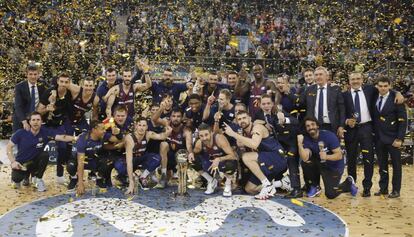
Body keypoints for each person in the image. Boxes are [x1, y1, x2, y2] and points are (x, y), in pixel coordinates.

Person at [224, 110, 287, 200]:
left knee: (246, 157)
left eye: (244, 118)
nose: (242, 120)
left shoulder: (257, 127)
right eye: (239, 119)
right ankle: (280, 183)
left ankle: (267, 184)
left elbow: (254, 144)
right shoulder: (243, 132)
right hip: (264, 160)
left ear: (250, 118)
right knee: (249, 189)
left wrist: (233, 134)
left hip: (277, 157)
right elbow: (241, 145)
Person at [7, 112, 75, 192]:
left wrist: (76, 138)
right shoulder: (20, 132)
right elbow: (8, 147)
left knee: (44, 155)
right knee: (16, 178)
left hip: (35, 162)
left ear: (41, 121)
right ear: (30, 122)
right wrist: (13, 162)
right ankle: (24, 177)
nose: (36, 122)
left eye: (38, 120)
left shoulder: (45, 132)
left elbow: (62, 137)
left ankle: (38, 179)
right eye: (33, 120)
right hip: (22, 164)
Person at [297, 116, 358, 199]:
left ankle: (348, 183)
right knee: (306, 162)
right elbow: (305, 158)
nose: (311, 127)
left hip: (334, 166)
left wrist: (326, 156)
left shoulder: (329, 136)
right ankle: (315, 186)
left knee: (331, 194)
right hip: (320, 163)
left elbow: (339, 155)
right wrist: (300, 144)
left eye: (312, 124)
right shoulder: (306, 138)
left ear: (317, 126)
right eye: (308, 126)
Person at [255, 94, 301, 198]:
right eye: (264, 104)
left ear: (272, 104)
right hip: (276, 144)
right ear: (260, 105)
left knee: (291, 159)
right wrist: (261, 122)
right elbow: (253, 121)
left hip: (289, 141)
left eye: (268, 103)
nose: (266, 106)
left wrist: (285, 120)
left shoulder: (278, 112)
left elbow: (296, 121)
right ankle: (280, 183)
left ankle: (296, 188)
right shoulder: (258, 114)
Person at [373, 76, 407, 198]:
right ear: (377, 86)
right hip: (379, 138)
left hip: (393, 138)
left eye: (385, 86)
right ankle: (383, 188)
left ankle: (396, 190)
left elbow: (403, 121)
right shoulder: (374, 96)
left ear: (390, 86)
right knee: (382, 165)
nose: (383, 88)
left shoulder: (396, 98)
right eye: (380, 86)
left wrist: (400, 138)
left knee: (396, 166)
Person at [37, 72, 73, 184]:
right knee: (39, 150)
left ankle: (59, 175)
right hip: (46, 126)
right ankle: (36, 177)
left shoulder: (69, 94)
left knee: (63, 148)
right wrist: (48, 109)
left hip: (59, 126)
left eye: (66, 82)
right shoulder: (49, 92)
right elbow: (39, 111)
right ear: (57, 81)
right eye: (61, 81)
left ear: (69, 83)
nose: (63, 84)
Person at [124, 118, 172, 194]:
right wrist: (131, 183)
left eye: (144, 125)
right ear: (136, 126)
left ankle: (143, 176)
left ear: (147, 127)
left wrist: (167, 131)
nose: (141, 128)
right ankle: (127, 178)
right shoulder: (129, 138)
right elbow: (129, 162)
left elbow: (161, 136)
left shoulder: (148, 134)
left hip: (142, 158)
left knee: (157, 158)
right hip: (131, 160)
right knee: (121, 168)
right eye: (139, 125)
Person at [72, 120, 119, 194]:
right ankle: (74, 178)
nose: (104, 131)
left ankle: (99, 178)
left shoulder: (104, 135)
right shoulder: (83, 140)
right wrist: (81, 183)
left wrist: (117, 132)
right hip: (84, 161)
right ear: (94, 130)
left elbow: (117, 139)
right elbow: (80, 163)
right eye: (102, 129)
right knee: (71, 165)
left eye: (104, 128)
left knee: (108, 162)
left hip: (95, 160)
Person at [298, 66, 345, 137]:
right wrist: (288, 92)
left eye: (320, 74)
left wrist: (341, 126)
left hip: (332, 126)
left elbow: (342, 109)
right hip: (314, 127)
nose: (318, 77)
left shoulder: (335, 89)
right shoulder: (309, 90)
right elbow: (300, 102)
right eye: (316, 75)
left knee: (333, 147)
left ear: (327, 76)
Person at [192, 123, 237, 197]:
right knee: (191, 160)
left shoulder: (219, 139)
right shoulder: (199, 143)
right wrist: (190, 153)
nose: (204, 138)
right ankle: (211, 181)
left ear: (211, 133)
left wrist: (219, 159)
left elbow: (233, 156)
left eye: (206, 135)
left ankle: (227, 184)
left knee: (230, 165)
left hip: (223, 161)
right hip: (210, 163)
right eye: (201, 136)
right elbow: (193, 153)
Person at [154, 108, 193, 188]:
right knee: (163, 144)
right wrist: (161, 108)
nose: (176, 118)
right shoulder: (167, 124)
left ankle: (182, 174)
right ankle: (164, 175)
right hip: (168, 157)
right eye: (174, 116)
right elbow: (154, 119)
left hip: (180, 159)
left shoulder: (186, 130)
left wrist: (191, 152)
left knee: (184, 153)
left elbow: (189, 144)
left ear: (182, 118)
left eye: (178, 116)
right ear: (170, 117)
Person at [12, 64, 47, 132]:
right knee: (19, 140)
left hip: (36, 118)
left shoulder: (43, 84)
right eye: (30, 74)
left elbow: (51, 90)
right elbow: (18, 106)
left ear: (38, 74)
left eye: (35, 74)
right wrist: (24, 122)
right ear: (26, 74)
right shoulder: (19, 87)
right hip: (21, 118)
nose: (33, 77)